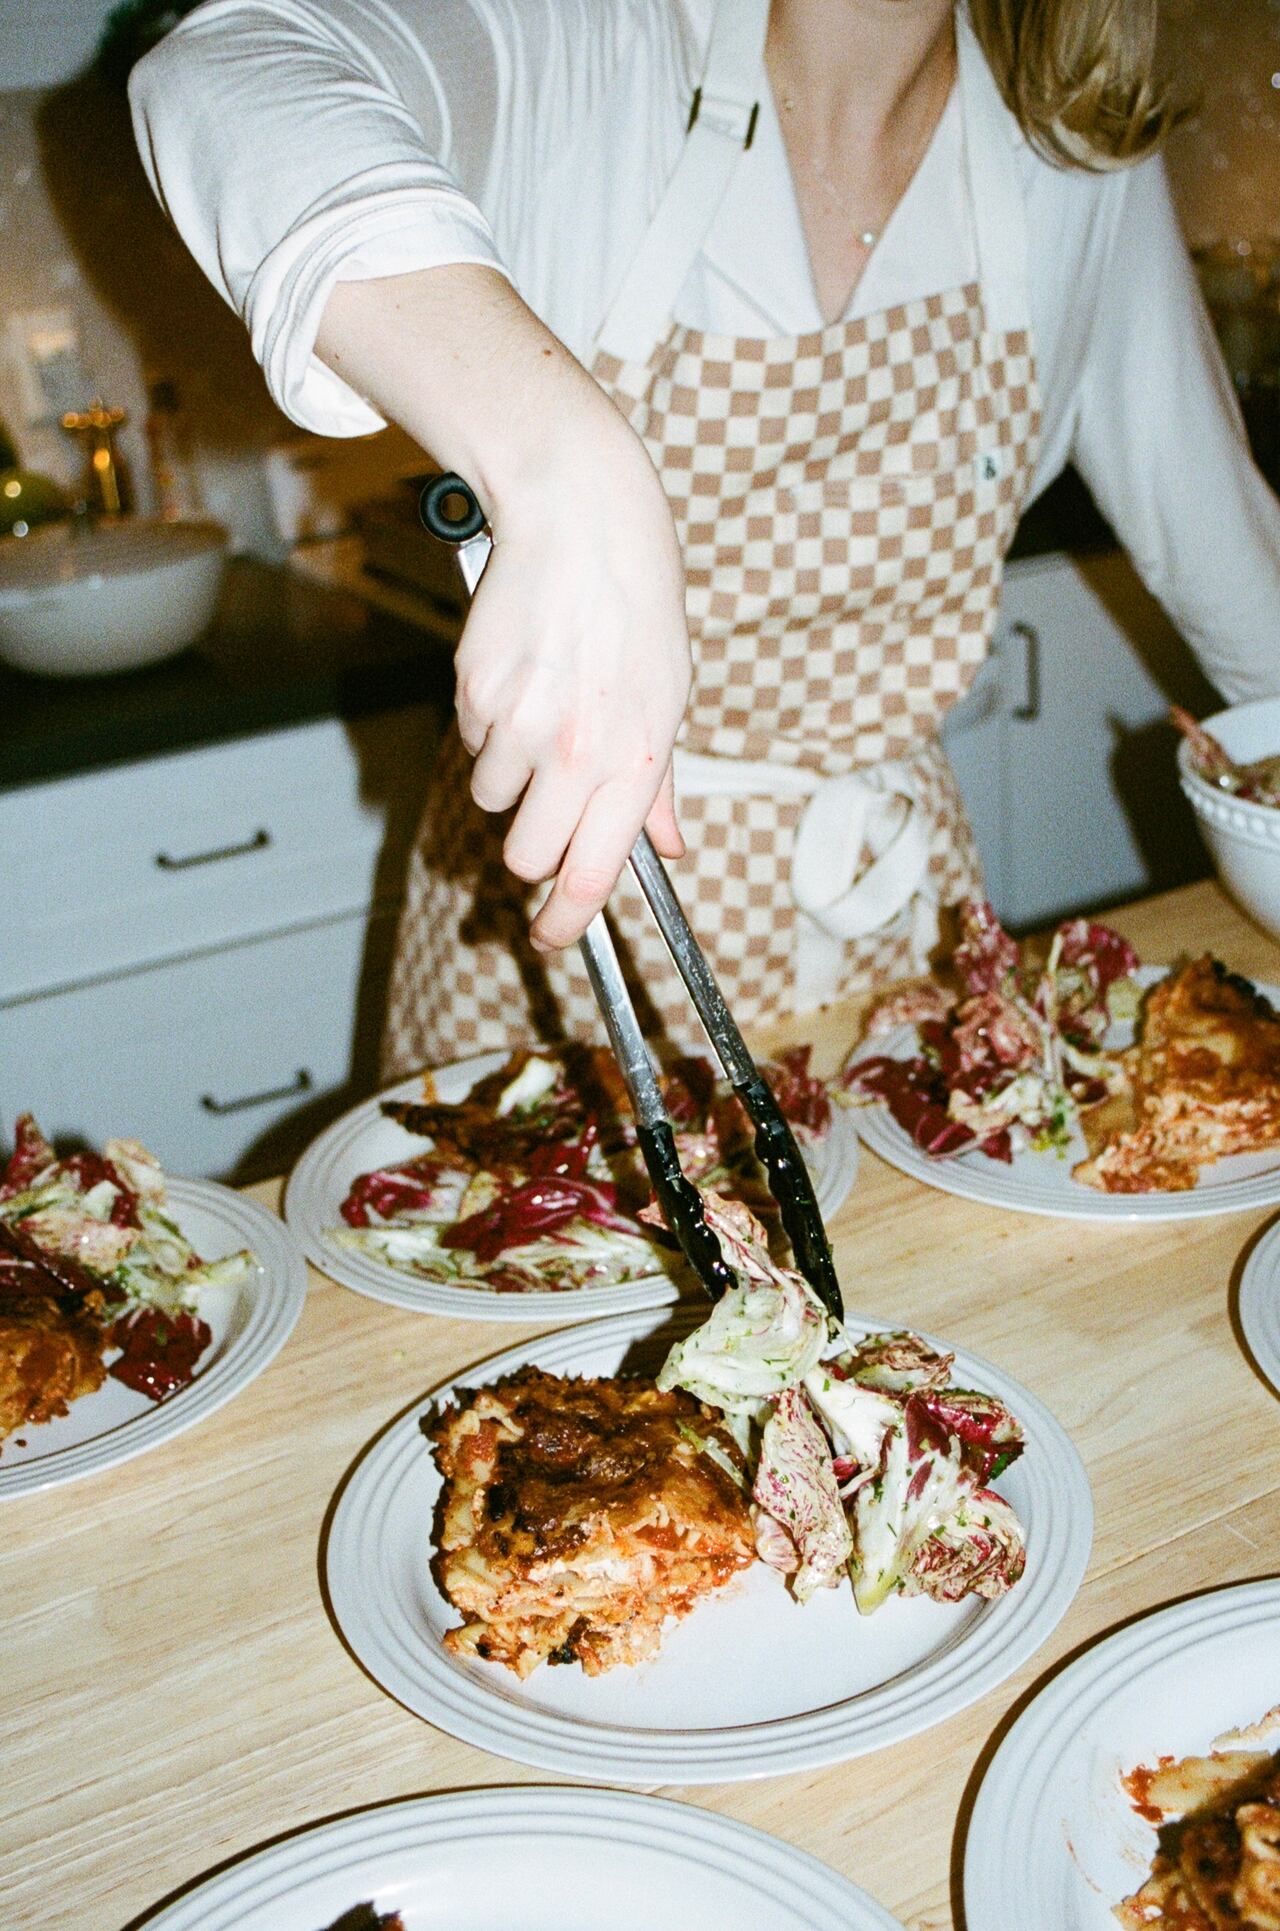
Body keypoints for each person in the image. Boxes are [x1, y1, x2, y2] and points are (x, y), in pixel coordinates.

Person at [130, 0, 1280, 1074]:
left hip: (895, 928)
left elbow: (1232, 568)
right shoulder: (589, 44)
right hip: (565, 943)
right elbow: (223, 68)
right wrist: (565, 465)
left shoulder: (1069, 153)